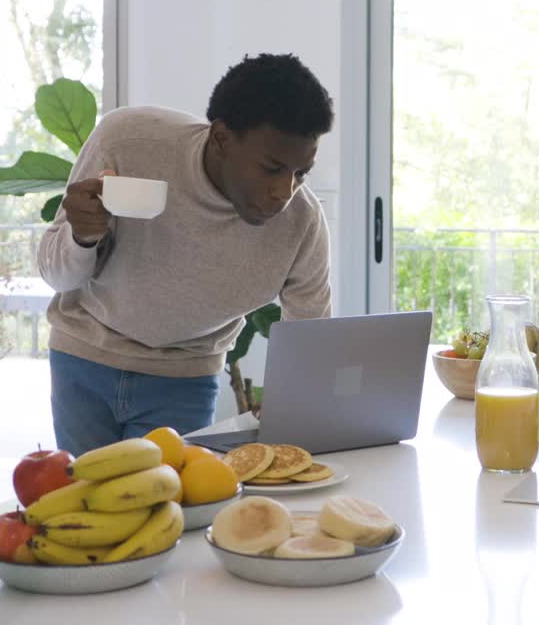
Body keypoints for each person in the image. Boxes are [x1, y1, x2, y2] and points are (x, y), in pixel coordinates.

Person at [37, 53, 334, 456]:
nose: (284, 192)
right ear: (222, 138)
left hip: (184, 381)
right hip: (82, 362)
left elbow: (309, 339)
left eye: (301, 174)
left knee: (170, 517)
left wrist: (289, 404)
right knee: (82, 513)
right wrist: (82, 237)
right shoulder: (127, 142)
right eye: (271, 168)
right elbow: (57, 277)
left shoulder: (302, 223)